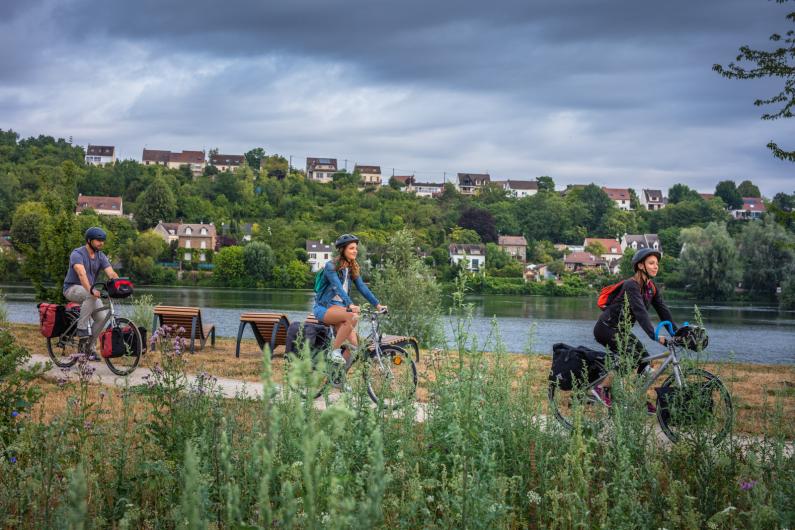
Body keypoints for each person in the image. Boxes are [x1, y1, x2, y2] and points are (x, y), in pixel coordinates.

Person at [592, 247, 677, 408]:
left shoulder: (651, 287)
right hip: (606, 328)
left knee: (645, 361)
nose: (655, 266)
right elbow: (640, 312)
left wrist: (677, 332)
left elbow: (663, 311)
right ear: (640, 266)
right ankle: (602, 388)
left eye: (657, 263)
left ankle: (637, 399)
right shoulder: (631, 285)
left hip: (621, 331)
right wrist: (655, 336)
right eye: (651, 263)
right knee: (632, 358)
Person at [312, 234, 386, 364]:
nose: (355, 251)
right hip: (324, 308)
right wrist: (350, 305)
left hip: (340, 309)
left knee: (354, 347)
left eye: (356, 248)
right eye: (351, 248)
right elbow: (338, 287)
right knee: (353, 316)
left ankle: (338, 379)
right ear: (342, 250)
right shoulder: (331, 266)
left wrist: (378, 305)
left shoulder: (351, 267)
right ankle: (333, 351)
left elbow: (362, 287)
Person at [63, 227, 119, 357]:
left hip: (90, 292)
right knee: (90, 294)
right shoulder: (77, 254)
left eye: (103, 241)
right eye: (98, 240)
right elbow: (81, 274)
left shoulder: (101, 256)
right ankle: (81, 328)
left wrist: (119, 284)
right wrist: (91, 290)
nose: (101, 243)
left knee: (101, 317)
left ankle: (88, 347)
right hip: (72, 288)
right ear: (89, 240)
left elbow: (111, 272)